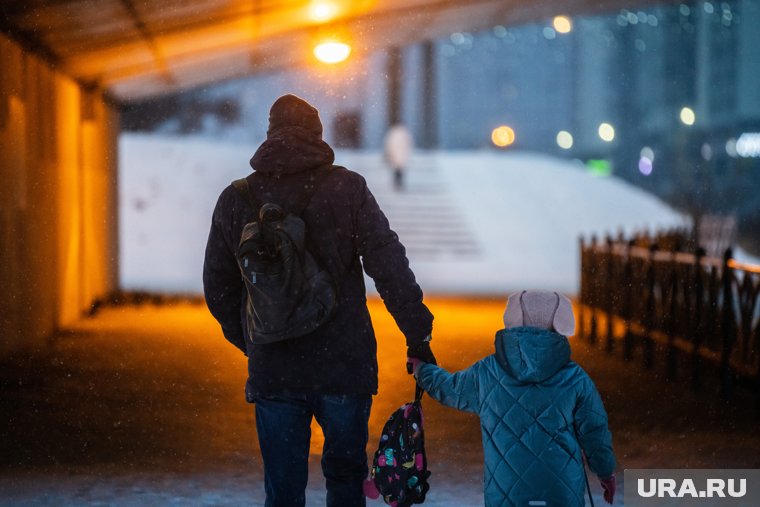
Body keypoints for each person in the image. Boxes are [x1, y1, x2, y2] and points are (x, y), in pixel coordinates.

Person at [202, 94, 436, 507]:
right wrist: (417, 333)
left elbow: (219, 286)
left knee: (283, 489)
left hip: (275, 369)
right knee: (346, 479)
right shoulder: (347, 188)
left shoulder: (237, 198)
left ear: (270, 134)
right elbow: (388, 263)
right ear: (318, 134)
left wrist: (256, 339)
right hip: (344, 365)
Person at [409, 290, 617, 507]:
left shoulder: (487, 371)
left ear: (514, 317)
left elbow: (451, 390)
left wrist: (422, 370)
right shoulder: (576, 378)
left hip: (505, 493)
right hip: (562, 493)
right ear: (560, 323)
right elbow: (595, 433)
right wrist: (605, 472)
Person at [383, 123, 413, 191]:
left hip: (397, 154)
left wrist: (389, 153)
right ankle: (398, 184)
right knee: (399, 170)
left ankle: (397, 184)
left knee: (397, 170)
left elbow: (389, 144)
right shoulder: (404, 133)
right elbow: (408, 143)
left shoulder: (393, 133)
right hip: (400, 154)